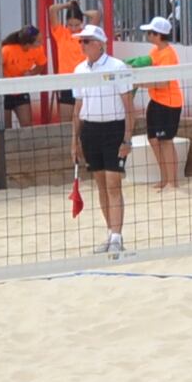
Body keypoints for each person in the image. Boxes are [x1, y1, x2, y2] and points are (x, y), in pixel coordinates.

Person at [67, 23, 133, 254]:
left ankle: (117, 236)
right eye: (80, 41)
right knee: (101, 185)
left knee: (113, 183)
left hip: (114, 129)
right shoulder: (79, 70)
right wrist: (74, 141)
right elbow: (77, 108)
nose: (81, 45)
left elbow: (128, 106)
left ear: (98, 43)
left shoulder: (117, 66)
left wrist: (127, 139)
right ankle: (110, 233)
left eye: (85, 41)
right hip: (90, 130)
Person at [137, 12, 188, 193]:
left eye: (150, 32)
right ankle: (165, 178)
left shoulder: (168, 55)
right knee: (154, 140)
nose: (147, 35)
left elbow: (164, 83)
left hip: (169, 103)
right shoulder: (156, 51)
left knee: (166, 141)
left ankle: (172, 182)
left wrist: (139, 83)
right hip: (156, 101)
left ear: (158, 35)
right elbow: (147, 66)